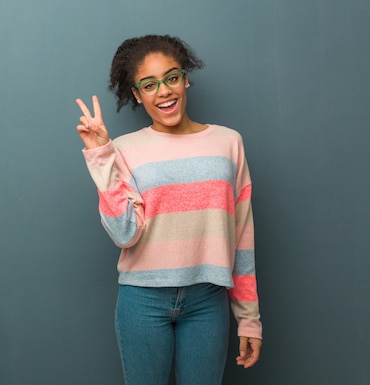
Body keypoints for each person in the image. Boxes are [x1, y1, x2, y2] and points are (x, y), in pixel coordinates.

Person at [74, 35, 262, 385]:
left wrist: (249, 317)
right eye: (149, 84)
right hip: (142, 301)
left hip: (208, 299)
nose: (163, 91)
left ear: (185, 77)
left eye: (171, 78)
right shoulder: (124, 149)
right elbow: (123, 234)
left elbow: (242, 235)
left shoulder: (228, 143)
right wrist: (102, 159)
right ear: (136, 93)